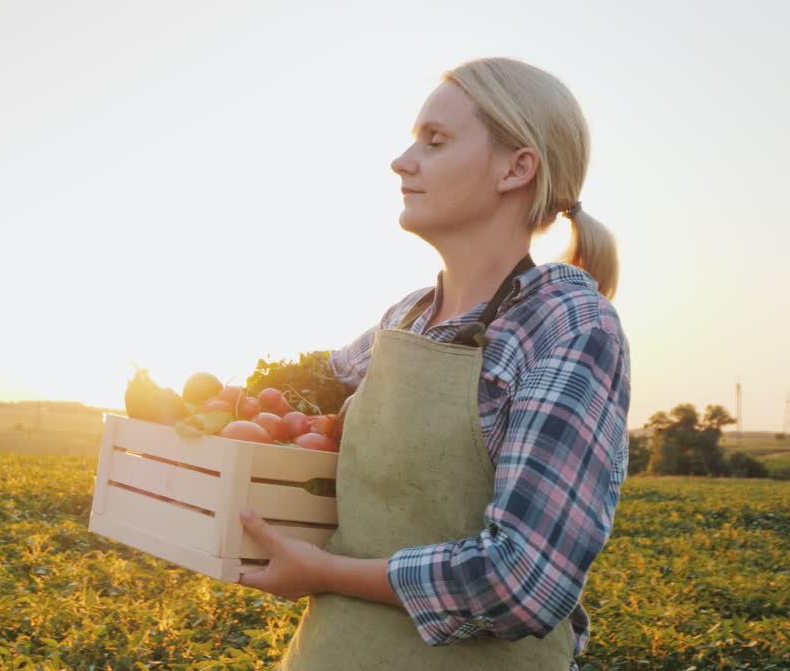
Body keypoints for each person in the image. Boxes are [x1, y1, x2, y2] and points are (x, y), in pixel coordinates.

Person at [237, 57, 630, 671]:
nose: (402, 160)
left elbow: (525, 579)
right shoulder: (407, 319)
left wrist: (325, 572)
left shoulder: (568, 326)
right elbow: (305, 389)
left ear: (516, 168)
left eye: (435, 140)